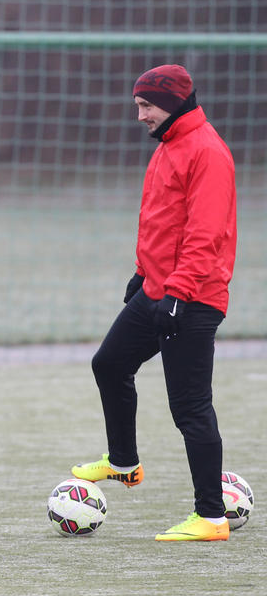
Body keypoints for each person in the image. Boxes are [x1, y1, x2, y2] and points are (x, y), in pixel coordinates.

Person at [71, 65, 237, 542]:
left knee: (190, 409)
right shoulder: (169, 145)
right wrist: (143, 274)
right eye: (138, 105)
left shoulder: (207, 152)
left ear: (173, 103)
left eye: (146, 106)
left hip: (192, 298)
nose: (140, 115)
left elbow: (206, 236)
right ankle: (123, 462)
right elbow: (163, 224)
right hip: (158, 290)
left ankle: (210, 516)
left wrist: (178, 294)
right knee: (109, 364)